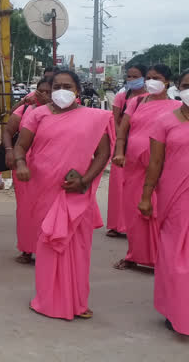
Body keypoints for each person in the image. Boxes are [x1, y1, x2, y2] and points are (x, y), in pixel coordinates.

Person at [14, 70, 113, 320]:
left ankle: (77, 300)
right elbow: (21, 145)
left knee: (76, 247)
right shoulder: (38, 114)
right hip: (43, 188)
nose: (61, 90)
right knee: (48, 244)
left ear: (78, 90)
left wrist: (85, 181)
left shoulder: (94, 117)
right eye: (57, 86)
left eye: (67, 86)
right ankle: (47, 299)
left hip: (76, 190)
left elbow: (103, 153)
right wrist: (21, 164)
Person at [139, 70, 189, 335]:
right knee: (174, 256)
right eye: (187, 85)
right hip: (175, 198)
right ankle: (175, 309)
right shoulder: (164, 121)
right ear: (178, 88)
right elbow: (155, 163)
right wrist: (146, 196)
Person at [112, 64, 176, 270]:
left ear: (167, 81)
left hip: (162, 167)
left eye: (155, 77)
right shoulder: (136, 102)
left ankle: (161, 259)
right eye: (148, 77)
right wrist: (119, 152)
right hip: (133, 164)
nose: (150, 81)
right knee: (134, 211)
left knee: (159, 211)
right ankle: (134, 255)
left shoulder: (176, 106)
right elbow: (122, 131)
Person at [3, 77, 52, 264]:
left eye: (49, 91)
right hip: (23, 162)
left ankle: (48, 248)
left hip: (51, 165)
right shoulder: (26, 107)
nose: (44, 95)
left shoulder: (63, 112)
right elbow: (8, 130)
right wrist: (9, 151)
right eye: (41, 91)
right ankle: (27, 248)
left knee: (48, 208)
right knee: (26, 208)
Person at [106, 64, 148, 237]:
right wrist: (120, 141)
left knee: (140, 186)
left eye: (135, 76)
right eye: (129, 76)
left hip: (144, 147)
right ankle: (117, 225)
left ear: (144, 77)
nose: (130, 79)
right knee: (119, 186)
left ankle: (139, 223)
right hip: (122, 146)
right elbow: (114, 120)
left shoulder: (152, 98)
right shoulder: (122, 96)